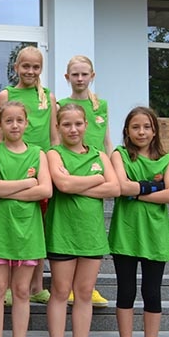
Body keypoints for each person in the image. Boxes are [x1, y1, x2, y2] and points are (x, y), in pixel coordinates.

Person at [45, 103, 120, 337]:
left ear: (86, 125)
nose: (73, 129)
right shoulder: (54, 154)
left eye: (78, 124)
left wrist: (80, 181)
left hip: (91, 234)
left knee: (85, 293)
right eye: (67, 124)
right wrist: (96, 178)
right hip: (63, 233)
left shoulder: (100, 155)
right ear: (58, 127)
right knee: (60, 291)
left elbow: (115, 187)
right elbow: (62, 185)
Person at [0, 101, 52, 337]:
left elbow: (46, 190)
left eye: (19, 120)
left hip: (28, 231)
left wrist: (7, 190)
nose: (14, 125)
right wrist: (26, 184)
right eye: (8, 120)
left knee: (22, 292)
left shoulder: (38, 153)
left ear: (26, 123)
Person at [109, 106, 169, 337]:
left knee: (152, 293)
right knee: (126, 291)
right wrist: (155, 187)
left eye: (147, 127)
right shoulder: (119, 154)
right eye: (135, 127)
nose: (141, 132)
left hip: (155, 235)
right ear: (127, 131)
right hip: (126, 233)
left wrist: (136, 192)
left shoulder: (165, 160)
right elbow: (120, 187)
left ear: (154, 131)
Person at [0, 46, 58, 305]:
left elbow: (54, 136)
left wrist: (56, 164)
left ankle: (36, 285)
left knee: (38, 227)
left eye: (36, 67)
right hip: (11, 166)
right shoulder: (6, 95)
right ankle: (9, 285)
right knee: (10, 225)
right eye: (25, 66)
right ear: (16, 67)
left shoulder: (48, 97)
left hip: (39, 167)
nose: (30, 71)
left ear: (41, 69)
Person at [59, 55, 113, 307]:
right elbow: (55, 138)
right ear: (67, 77)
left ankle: (88, 287)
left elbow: (106, 139)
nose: (80, 79)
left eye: (84, 74)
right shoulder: (60, 105)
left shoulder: (101, 105)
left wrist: (112, 167)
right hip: (71, 167)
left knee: (91, 225)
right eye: (75, 74)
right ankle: (69, 286)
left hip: (95, 166)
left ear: (92, 76)